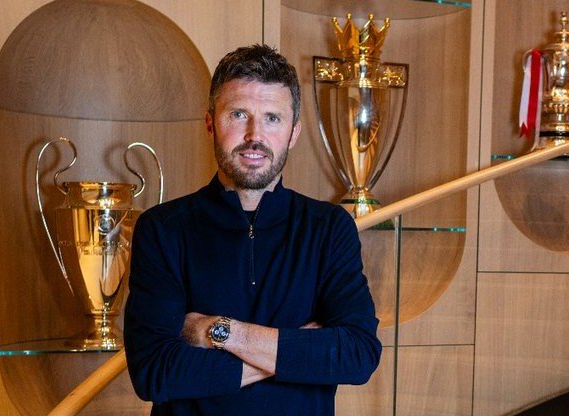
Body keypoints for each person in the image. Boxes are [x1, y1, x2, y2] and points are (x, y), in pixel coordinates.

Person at [124, 44, 381, 416]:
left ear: (293, 132)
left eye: (272, 118)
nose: (254, 135)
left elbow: (357, 355)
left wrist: (220, 331)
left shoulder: (329, 228)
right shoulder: (163, 229)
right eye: (238, 114)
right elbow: (154, 373)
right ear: (210, 124)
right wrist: (298, 353)